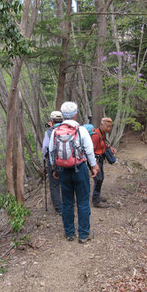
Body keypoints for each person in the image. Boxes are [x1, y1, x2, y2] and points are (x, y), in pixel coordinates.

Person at [49, 102, 100, 243]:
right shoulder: (81, 130)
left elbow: (51, 151)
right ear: (75, 114)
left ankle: (69, 233)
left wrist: (54, 169)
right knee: (83, 202)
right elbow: (89, 150)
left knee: (67, 202)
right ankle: (83, 234)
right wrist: (94, 166)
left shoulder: (55, 131)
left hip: (63, 170)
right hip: (80, 168)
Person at [91, 117, 116, 208]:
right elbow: (90, 151)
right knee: (98, 179)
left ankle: (97, 196)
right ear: (102, 125)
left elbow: (104, 144)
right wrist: (94, 164)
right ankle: (96, 201)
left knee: (101, 178)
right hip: (95, 160)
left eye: (110, 127)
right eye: (107, 126)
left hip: (100, 159)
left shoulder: (103, 134)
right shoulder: (95, 135)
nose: (109, 129)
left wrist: (110, 148)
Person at [41, 111, 63, 215]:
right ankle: (69, 203)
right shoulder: (68, 130)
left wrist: (44, 156)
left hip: (53, 161)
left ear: (52, 121)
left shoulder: (49, 132)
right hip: (67, 160)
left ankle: (59, 208)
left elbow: (45, 148)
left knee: (54, 185)